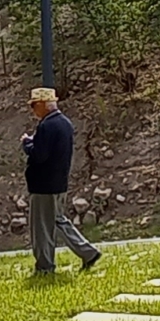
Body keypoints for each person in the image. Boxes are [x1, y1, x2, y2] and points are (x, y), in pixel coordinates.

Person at [21, 87, 100, 274]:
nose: (33, 110)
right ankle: (88, 252)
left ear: (42, 105)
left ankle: (44, 267)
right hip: (59, 183)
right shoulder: (65, 123)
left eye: (34, 105)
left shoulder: (46, 126)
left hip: (43, 185)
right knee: (58, 220)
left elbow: (39, 155)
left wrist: (26, 143)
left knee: (41, 229)